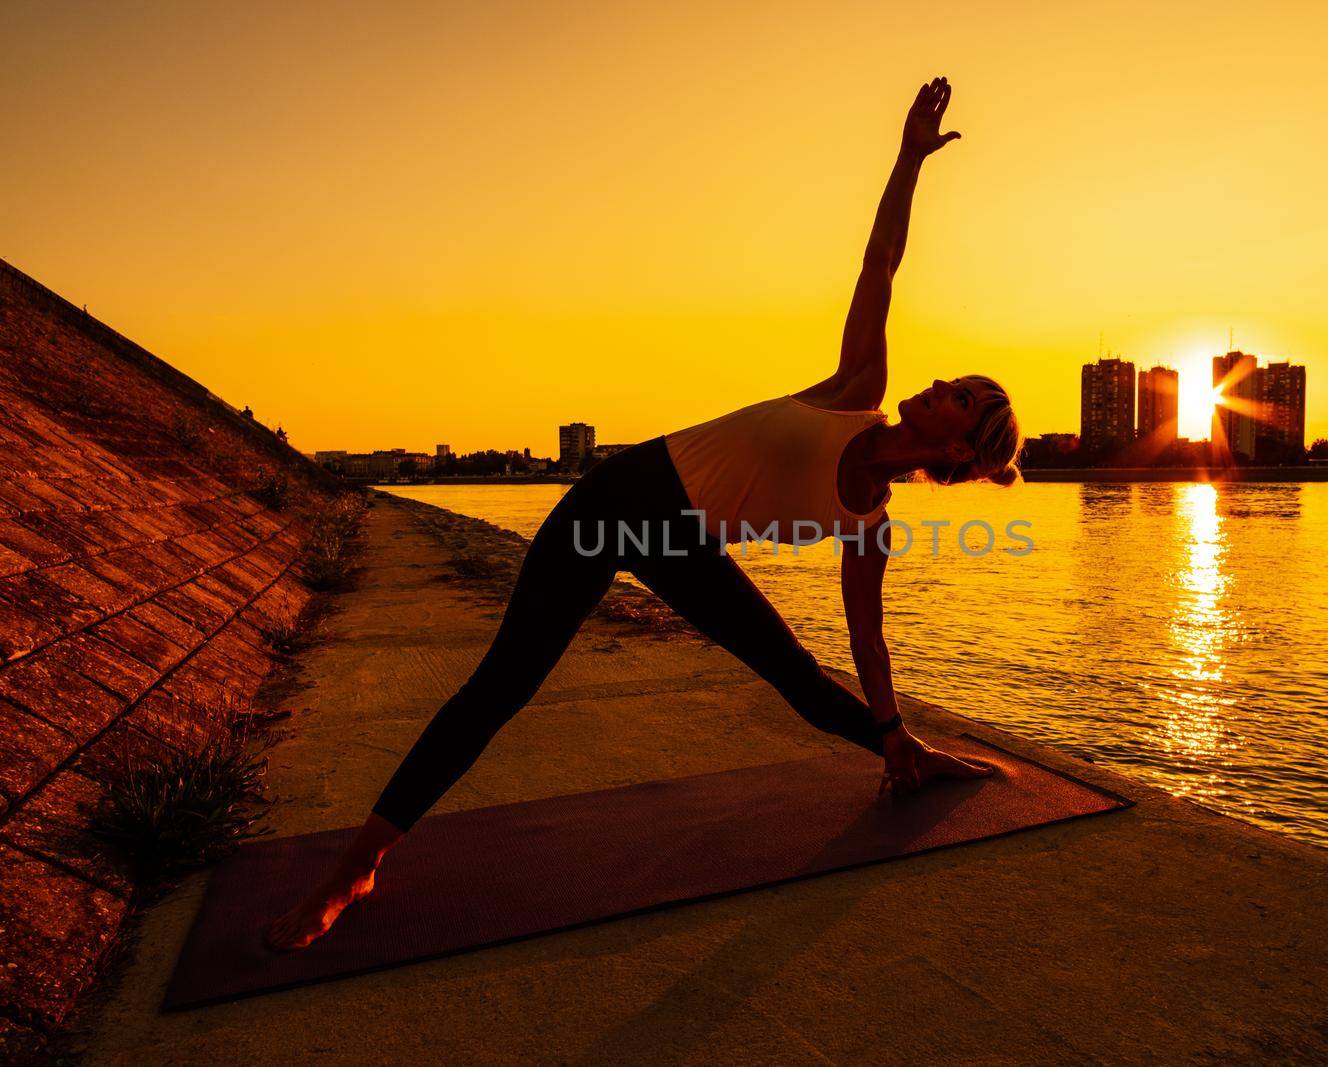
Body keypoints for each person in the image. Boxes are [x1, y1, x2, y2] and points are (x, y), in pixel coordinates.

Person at [267, 75, 1022, 951]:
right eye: (951, 381)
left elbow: (870, 643)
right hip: (619, 500)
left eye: (957, 399)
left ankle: (906, 755)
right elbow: (879, 263)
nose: (938, 386)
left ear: (961, 453)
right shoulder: (859, 390)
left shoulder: (871, 526)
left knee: (804, 681)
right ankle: (356, 866)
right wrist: (906, 160)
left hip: (685, 541)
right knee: (502, 684)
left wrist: (891, 725)